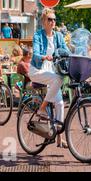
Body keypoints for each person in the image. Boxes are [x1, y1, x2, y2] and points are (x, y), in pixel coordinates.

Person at [30, 8, 70, 148]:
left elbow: (66, 50)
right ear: (44, 21)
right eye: (49, 19)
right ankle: (42, 108)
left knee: (59, 104)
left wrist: (73, 53)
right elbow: (35, 53)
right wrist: (43, 56)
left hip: (52, 72)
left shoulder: (58, 35)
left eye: (54, 19)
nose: (52, 22)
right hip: (38, 70)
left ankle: (59, 138)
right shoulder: (38, 35)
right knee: (58, 79)